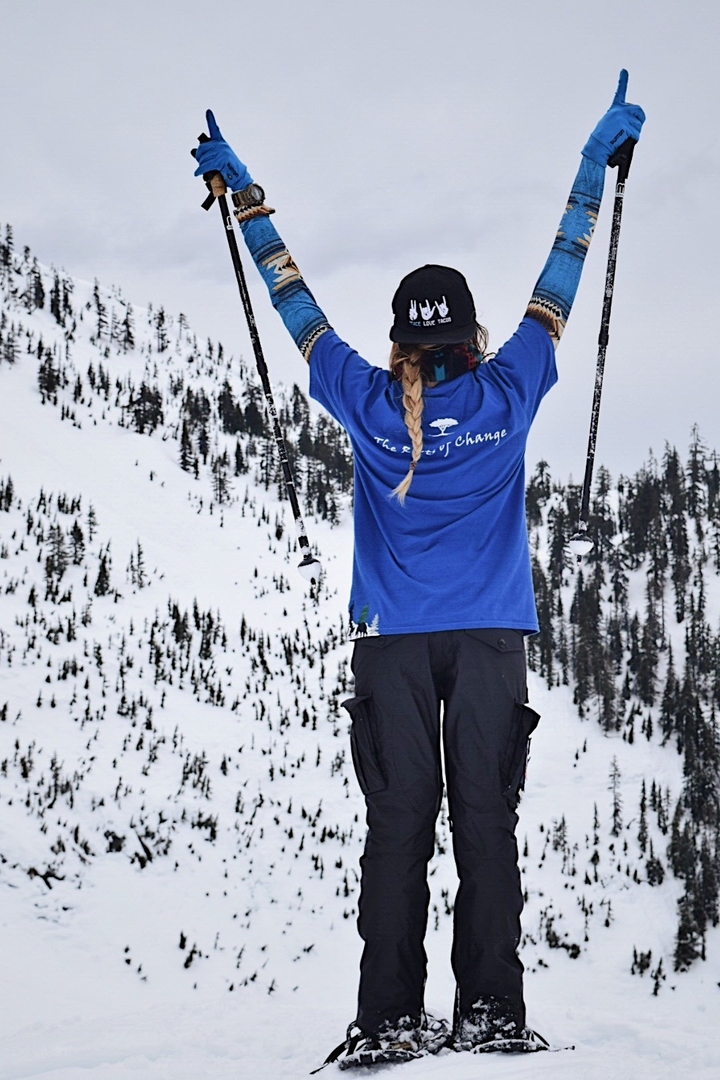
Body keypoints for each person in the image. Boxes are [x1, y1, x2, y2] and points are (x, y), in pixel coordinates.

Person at [193, 71, 645, 1067]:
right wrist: (593, 165)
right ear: (470, 336)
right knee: (487, 822)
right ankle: (488, 1011)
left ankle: (390, 1016)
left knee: (400, 824)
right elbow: (562, 271)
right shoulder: (510, 388)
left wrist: (248, 199)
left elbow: (294, 303)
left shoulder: (364, 397)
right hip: (489, 638)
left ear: (401, 341)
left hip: (390, 645)